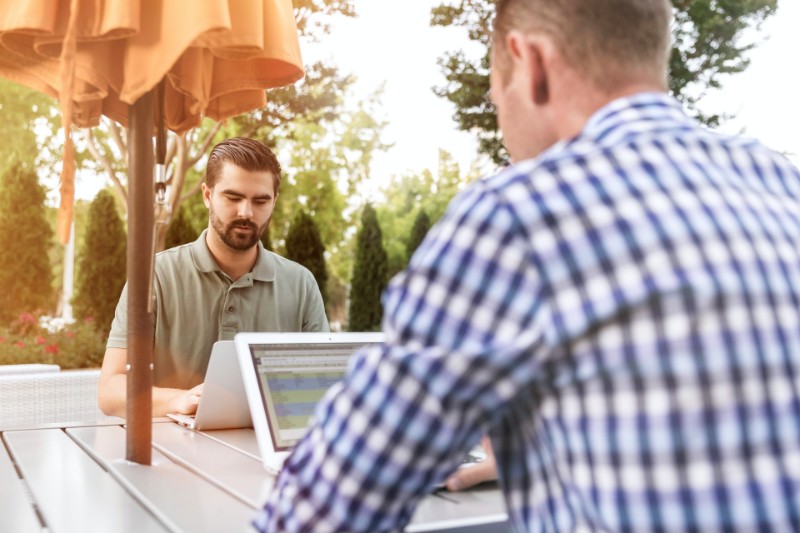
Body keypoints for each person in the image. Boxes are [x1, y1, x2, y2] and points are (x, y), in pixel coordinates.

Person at [256, 0, 800, 531]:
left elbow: (329, 505)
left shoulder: (517, 214)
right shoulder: (781, 184)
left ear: (531, 62)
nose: (500, 113)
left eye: (497, 92)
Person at [98, 137, 329, 418]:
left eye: (260, 200)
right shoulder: (154, 277)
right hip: (172, 451)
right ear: (207, 195)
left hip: (264, 451)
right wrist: (180, 401)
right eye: (233, 198)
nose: (246, 212)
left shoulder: (301, 284)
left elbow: (322, 387)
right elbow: (110, 392)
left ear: (274, 201)